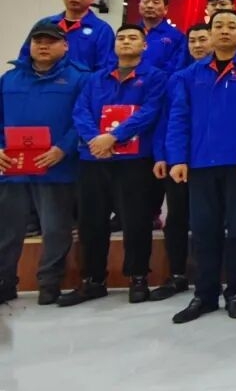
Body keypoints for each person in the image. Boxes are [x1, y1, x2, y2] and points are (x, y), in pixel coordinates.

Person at [166, 9, 236, 324]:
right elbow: (179, 117)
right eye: (218, 26)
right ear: (210, 33)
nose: (224, 31)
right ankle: (205, 294)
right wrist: (177, 158)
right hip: (200, 164)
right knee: (203, 231)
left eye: (231, 26)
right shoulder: (189, 75)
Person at [59, 24, 167, 306]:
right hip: (94, 158)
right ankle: (93, 280)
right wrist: (95, 139)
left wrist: (114, 136)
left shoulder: (155, 77)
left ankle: (138, 276)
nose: (126, 41)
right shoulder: (95, 78)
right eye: (121, 38)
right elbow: (81, 111)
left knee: (136, 221)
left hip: (134, 161)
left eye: (133, 38)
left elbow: (150, 112)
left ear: (144, 45)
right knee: (91, 222)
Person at [0, 22, 88, 306]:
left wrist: (63, 149)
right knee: (7, 230)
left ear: (65, 46)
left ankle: (49, 284)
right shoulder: (9, 79)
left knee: (55, 229)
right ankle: (4, 283)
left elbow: (83, 119)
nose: (43, 46)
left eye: (50, 41)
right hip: (12, 169)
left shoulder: (80, 79)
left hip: (56, 167)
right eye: (38, 41)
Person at [146, 24, 211, 302]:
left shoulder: (226, 75)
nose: (197, 45)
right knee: (176, 219)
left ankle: (207, 274)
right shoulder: (176, 79)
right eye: (192, 41)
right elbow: (165, 121)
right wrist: (162, 155)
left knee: (207, 220)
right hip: (177, 160)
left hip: (209, 160)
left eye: (202, 40)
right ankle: (177, 274)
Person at [22, 0, 116, 72]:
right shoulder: (45, 24)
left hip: (82, 81)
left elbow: (104, 69)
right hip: (42, 80)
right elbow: (24, 58)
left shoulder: (102, 30)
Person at [137, 0, 186, 73]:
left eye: (155, 2)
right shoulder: (128, 34)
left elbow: (178, 67)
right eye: (145, 1)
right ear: (139, 6)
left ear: (165, 9)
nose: (149, 6)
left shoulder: (177, 37)